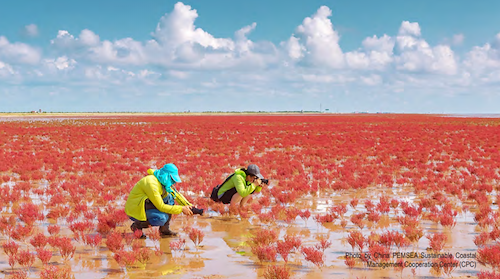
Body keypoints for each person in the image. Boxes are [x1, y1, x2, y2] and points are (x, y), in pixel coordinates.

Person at [125, 163, 194, 238]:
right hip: (135, 209)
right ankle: (137, 226)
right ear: (166, 176)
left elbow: (176, 194)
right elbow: (161, 206)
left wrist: (189, 206)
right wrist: (181, 209)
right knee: (161, 218)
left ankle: (164, 230)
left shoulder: (162, 181)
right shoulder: (151, 183)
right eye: (172, 179)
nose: (173, 182)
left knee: (169, 197)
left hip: (146, 204)